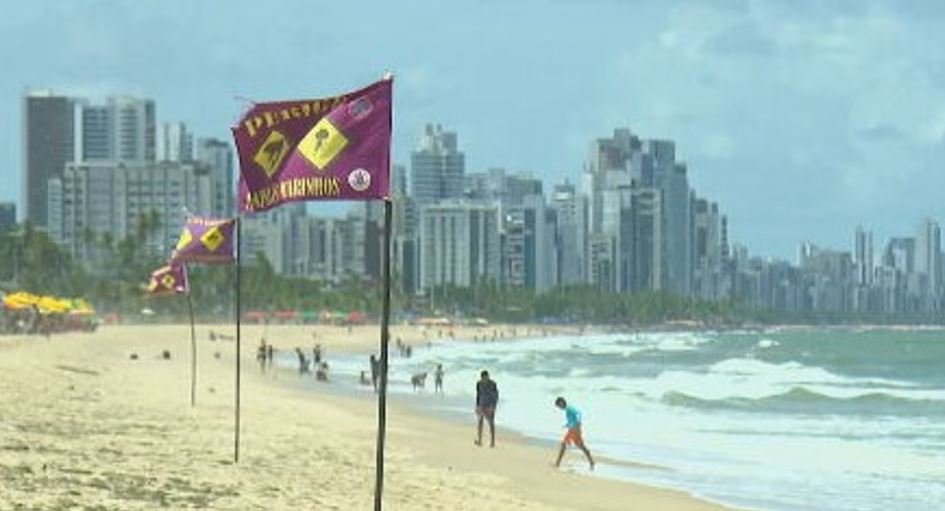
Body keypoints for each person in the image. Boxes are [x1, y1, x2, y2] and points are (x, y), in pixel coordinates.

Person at [553, 396, 595, 470]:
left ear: (561, 403)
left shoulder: (569, 408)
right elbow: (572, 419)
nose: (559, 408)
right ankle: (591, 461)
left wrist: (577, 423)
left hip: (574, 429)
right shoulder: (567, 409)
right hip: (573, 429)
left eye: (559, 406)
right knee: (580, 446)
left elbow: (578, 413)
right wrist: (568, 424)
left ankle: (557, 463)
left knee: (564, 444)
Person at [475, 370, 498, 447]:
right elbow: (478, 395)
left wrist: (493, 406)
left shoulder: (493, 384)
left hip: (489, 406)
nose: (485, 379)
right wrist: (477, 406)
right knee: (480, 422)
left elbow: (495, 396)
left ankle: (492, 442)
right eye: (483, 378)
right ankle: (479, 440)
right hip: (482, 405)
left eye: (486, 377)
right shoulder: (479, 384)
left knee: (491, 423)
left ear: (488, 376)